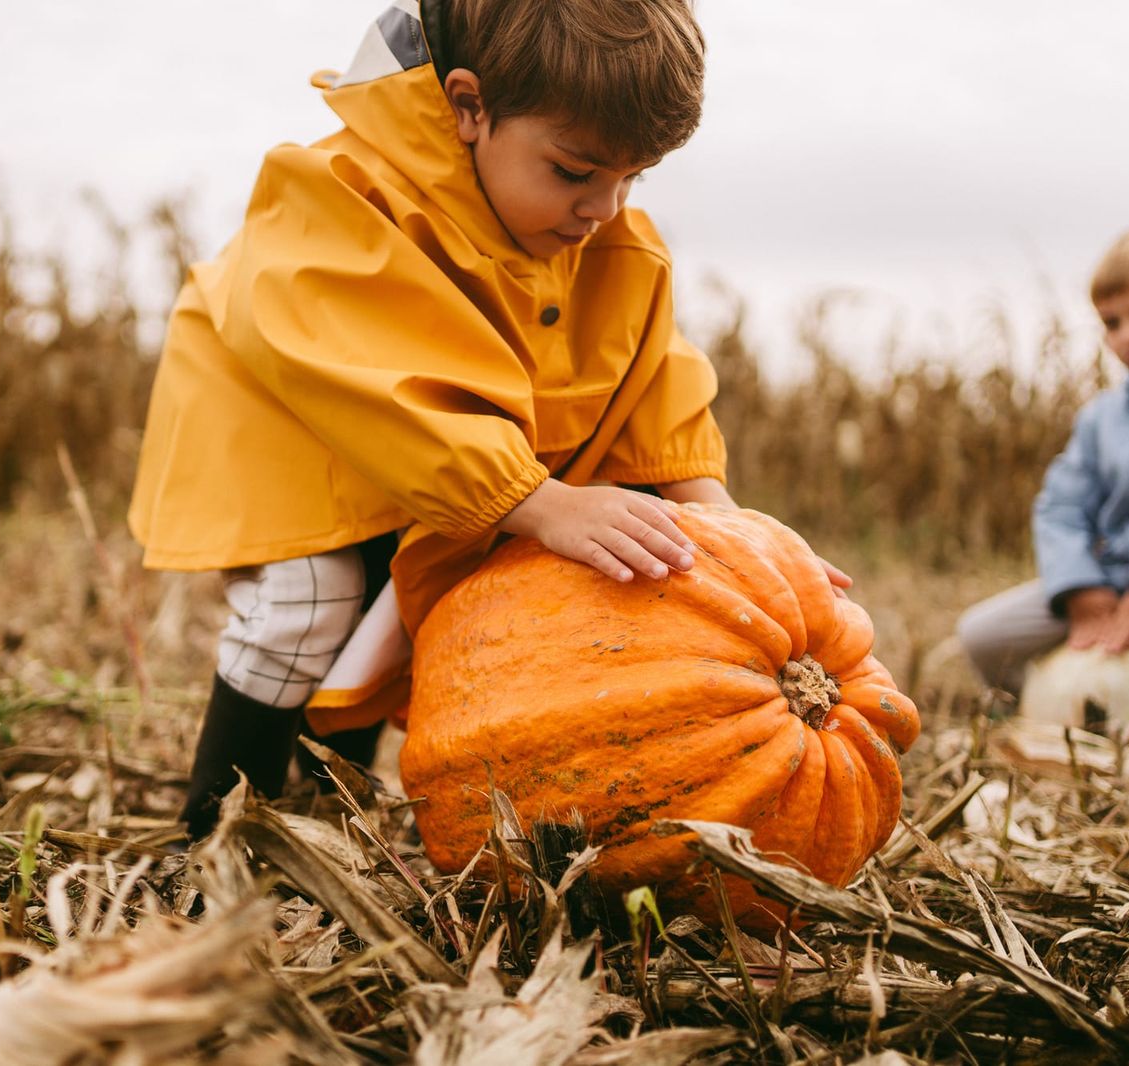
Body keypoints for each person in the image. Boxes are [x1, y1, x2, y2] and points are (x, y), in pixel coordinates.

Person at [129, 0, 843, 839]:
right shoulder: (343, 197)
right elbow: (371, 380)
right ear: (470, 108)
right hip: (287, 421)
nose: (604, 209)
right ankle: (213, 826)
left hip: (437, 453)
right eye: (576, 173)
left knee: (397, 609)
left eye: (632, 178)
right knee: (310, 598)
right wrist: (541, 504)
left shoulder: (603, 241)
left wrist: (734, 541)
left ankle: (334, 795)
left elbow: (652, 374)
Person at [957, 222, 1129, 719]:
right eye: (1112, 322)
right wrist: (1080, 587)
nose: (1128, 335)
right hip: (1113, 579)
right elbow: (1062, 505)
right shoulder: (1105, 416)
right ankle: (1051, 727)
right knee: (984, 636)